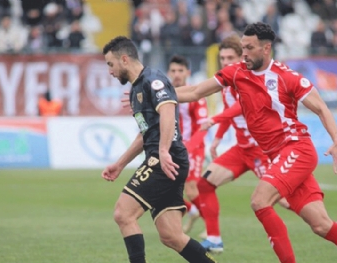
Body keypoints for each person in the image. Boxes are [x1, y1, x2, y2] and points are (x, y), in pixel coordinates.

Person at [175, 23, 337, 262]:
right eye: (242, 47)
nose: (244, 53)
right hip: (277, 155)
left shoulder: (287, 77)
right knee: (321, 225)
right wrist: (157, 91)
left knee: (259, 201)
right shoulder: (236, 72)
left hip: (297, 149)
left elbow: (321, 108)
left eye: (249, 48)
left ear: (266, 48)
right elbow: (195, 92)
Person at [101, 36, 217, 263]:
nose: (110, 71)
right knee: (172, 235)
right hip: (167, 158)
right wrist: (120, 163)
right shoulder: (136, 90)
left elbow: (168, 111)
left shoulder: (153, 80)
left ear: (124, 59)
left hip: (166, 159)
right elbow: (145, 134)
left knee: (123, 214)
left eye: (110, 64)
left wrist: (163, 151)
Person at [188, 34, 289, 254]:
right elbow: (230, 113)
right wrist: (217, 138)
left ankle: (328, 227)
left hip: (261, 150)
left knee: (285, 200)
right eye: (222, 58)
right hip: (241, 150)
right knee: (204, 184)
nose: (225, 62)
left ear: (241, 57)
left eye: (230, 57)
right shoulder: (225, 83)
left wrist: (214, 120)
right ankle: (214, 239)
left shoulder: (246, 79)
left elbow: (241, 108)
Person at [167, 55, 208, 234]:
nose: (176, 74)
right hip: (172, 148)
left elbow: (203, 126)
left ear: (188, 72)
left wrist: (190, 147)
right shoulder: (166, 93)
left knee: (191, 188)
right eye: (173, 71)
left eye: (180, 71)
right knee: (164, 188)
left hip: (193, 148)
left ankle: (211, 228)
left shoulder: (195, 95)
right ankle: (192, 210)